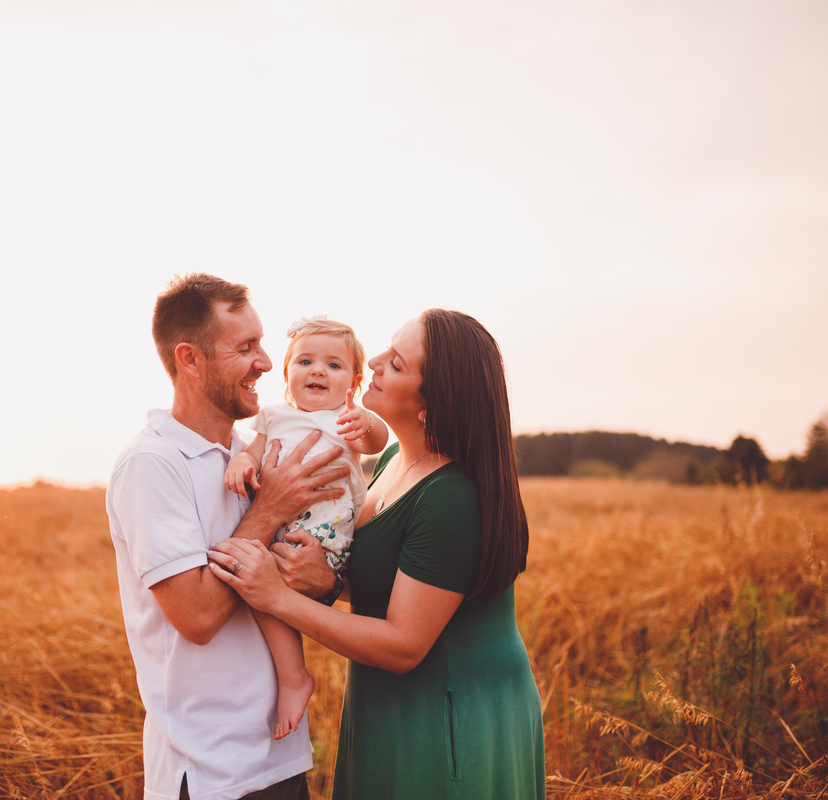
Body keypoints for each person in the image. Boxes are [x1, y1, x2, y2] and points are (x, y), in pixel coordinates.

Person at [210, 309, 546, 800]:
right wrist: (326, 581)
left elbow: (403, 645)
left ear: (432, 401)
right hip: (385, 704)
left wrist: (278, 598)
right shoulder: (390, 461)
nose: (376, 363)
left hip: (452, 723)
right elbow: (391, 580)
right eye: (386, 350)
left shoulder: (452, 496)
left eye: (398, 363)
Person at [106, 274, 351, 800]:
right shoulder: (152, 464)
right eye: (245, 348)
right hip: (210, 772)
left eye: (262, 343)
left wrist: (324, 577)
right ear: (190, 360)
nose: (266, 362)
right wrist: (269, 512)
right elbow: (195, 616)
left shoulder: (253, 452)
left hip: (280, 754)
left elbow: (290, 578)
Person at [223, 315, 389, 740]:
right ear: (287, 374)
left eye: (334, 366)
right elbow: (254, 452)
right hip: (282, 533)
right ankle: (293, 676)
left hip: (327, 537)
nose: (318, 370)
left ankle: (293, 677)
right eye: (306, 361)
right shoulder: (274, 416)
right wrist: (241, 462)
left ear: (352, 383)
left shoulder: (346, 420)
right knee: (263, 592)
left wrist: (368, 423)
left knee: (271, 593)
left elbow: (378, 441)